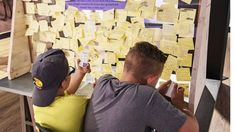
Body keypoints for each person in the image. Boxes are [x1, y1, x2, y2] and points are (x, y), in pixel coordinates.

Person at [84, 41, 199, 132]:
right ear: (151, 79)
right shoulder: (146, 96)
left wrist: (156, 94)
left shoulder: (103, 81)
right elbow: (191, 129)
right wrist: (179, 104)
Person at [32, 49, 91, 132]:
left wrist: (80, 73)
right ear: (63, 84)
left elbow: (65, 94)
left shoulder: (37, 103)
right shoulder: (76, 103)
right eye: (70, 72)